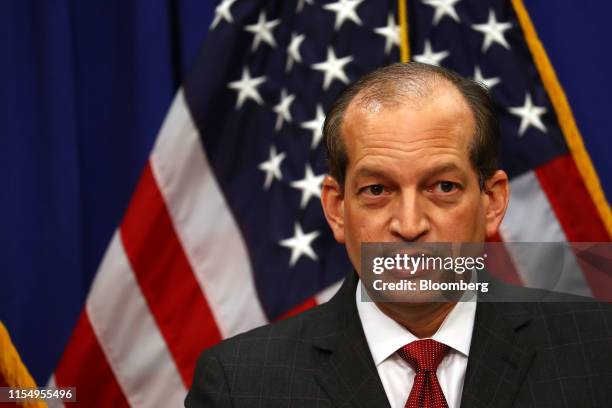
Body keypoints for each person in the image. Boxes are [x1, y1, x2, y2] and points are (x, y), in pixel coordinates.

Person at [185, 63, 611, 407]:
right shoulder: (239, 386)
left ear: (492, 202)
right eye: (376, 190)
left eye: (443, 187)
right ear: (336, 208)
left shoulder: (599, 351)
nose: (409, 226)